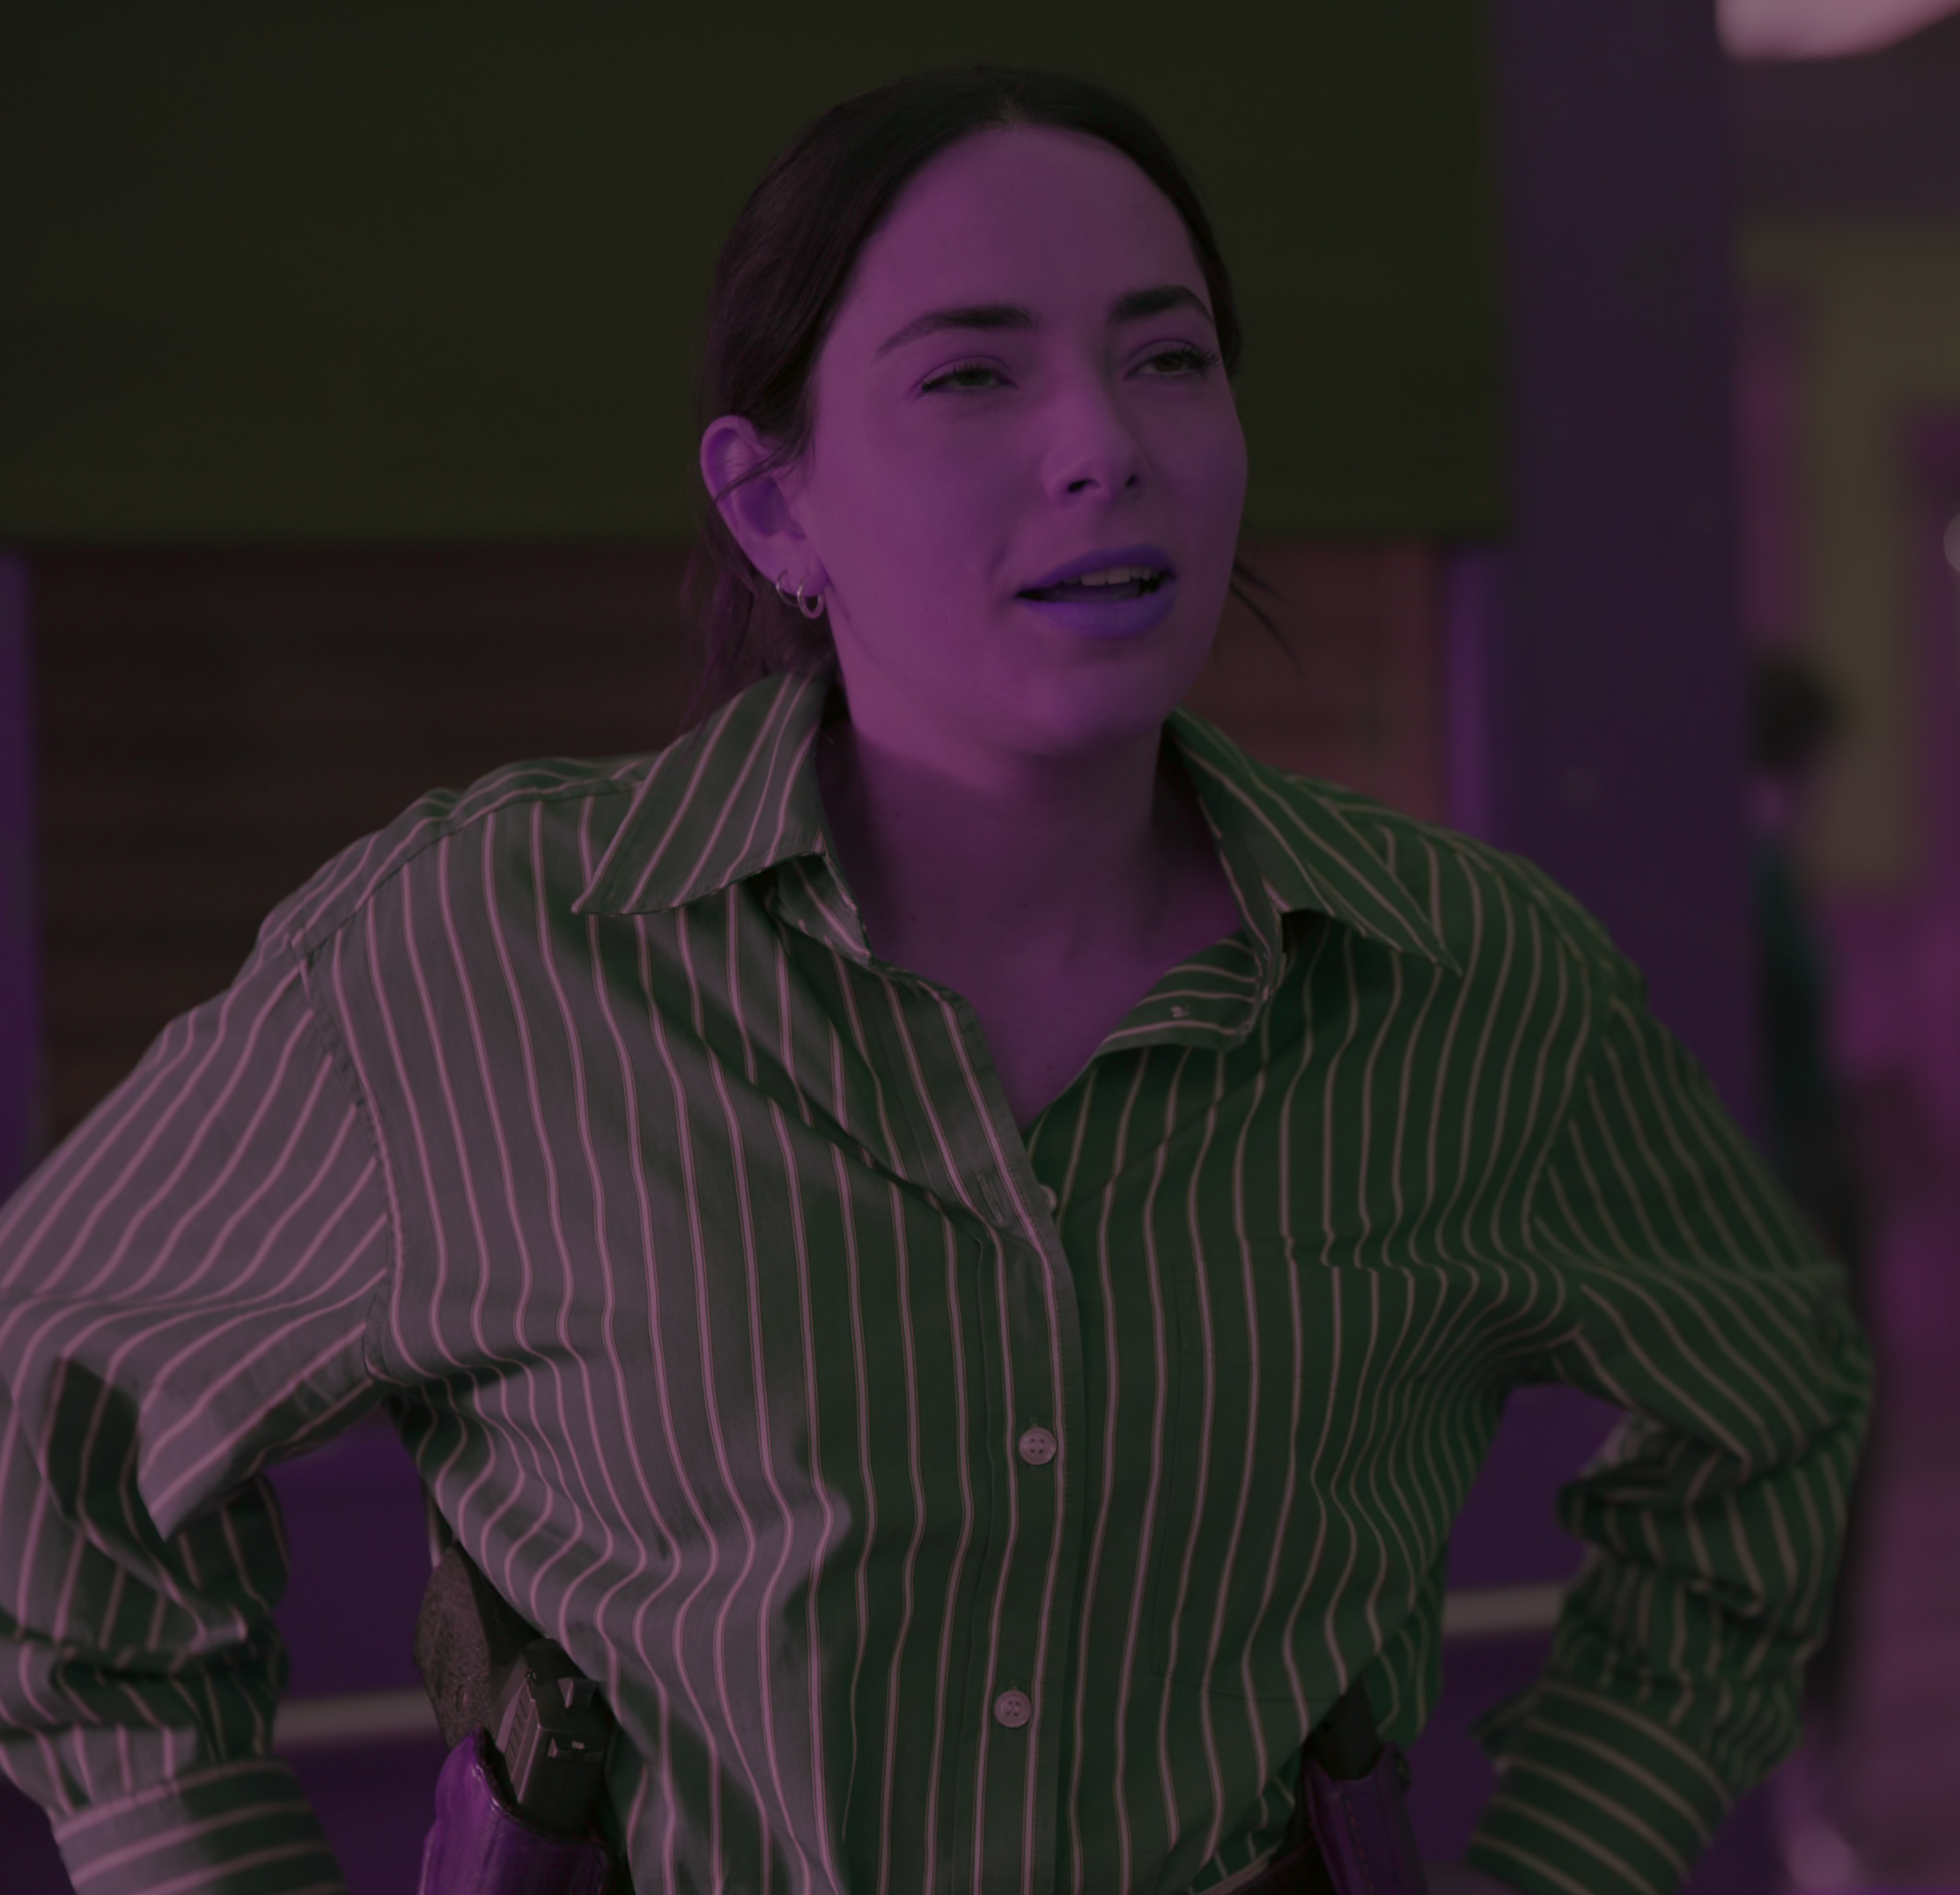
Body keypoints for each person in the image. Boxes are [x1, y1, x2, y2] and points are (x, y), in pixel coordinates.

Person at [0, 68, 1866, 1895]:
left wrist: (1567, 1855)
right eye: (973, 374)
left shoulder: (1473, 984)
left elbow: (1765, 1417)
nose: (1104, 445)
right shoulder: (480, 949)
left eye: (1170, 358)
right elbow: (48, 1408)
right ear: (772, 507)